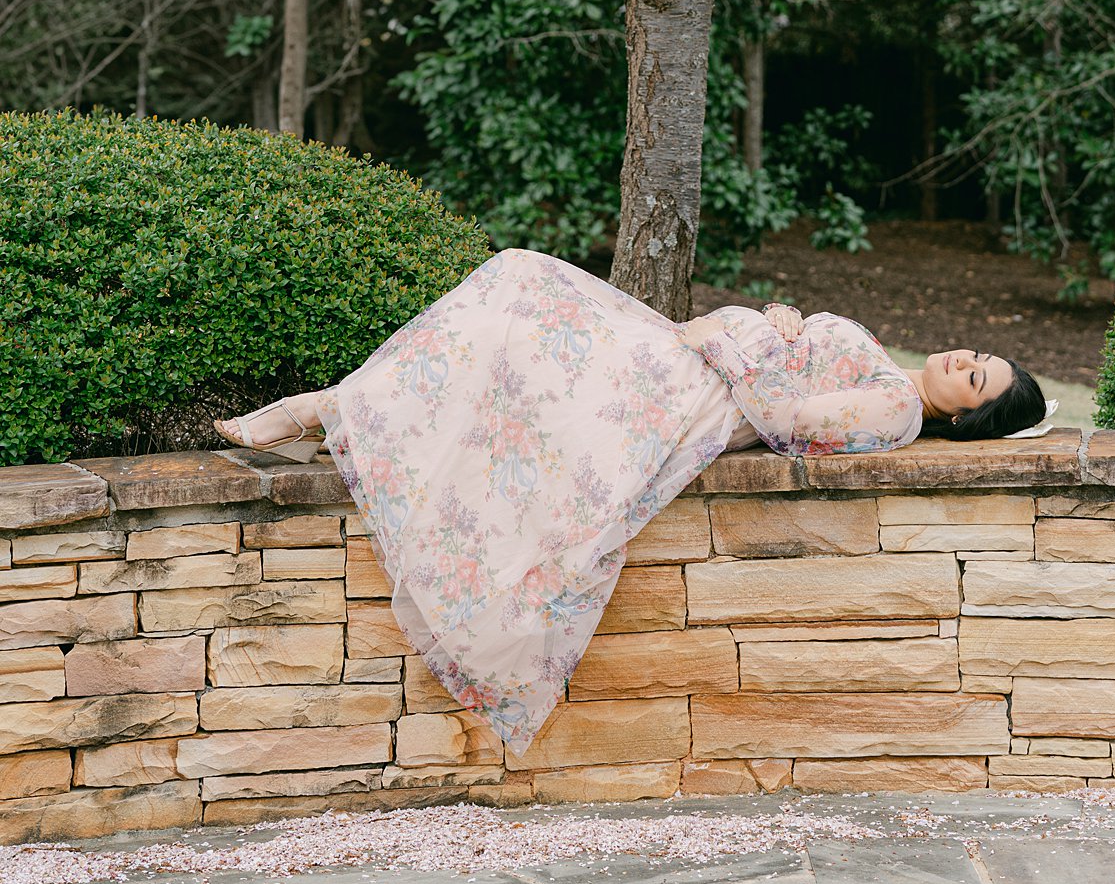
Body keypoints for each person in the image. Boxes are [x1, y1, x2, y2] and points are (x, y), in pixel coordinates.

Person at [213, 248, 1047, 748]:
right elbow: (802, 362)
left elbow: (788, 418)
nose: (962, 360)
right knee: (515, 298)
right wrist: (780, 321)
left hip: (690, 398)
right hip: (689, 367)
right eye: (976, 354)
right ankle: (338, 408)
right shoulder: (891, 373)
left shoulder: (897, 411)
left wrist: (734, 334)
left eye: (976, 378)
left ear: (969, 414)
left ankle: (329, 409)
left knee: (521, 308)